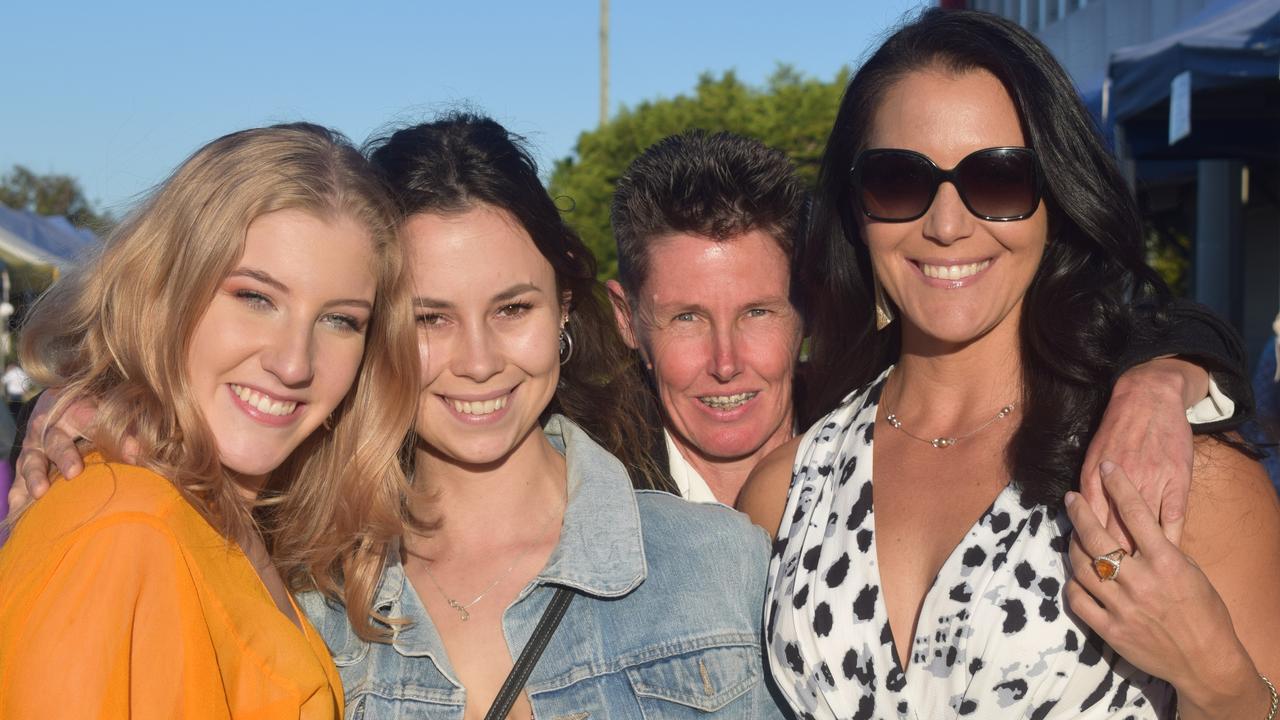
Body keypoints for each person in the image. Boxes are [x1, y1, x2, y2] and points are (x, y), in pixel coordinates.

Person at [738, 9, 1280, 720]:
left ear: (1055, 197)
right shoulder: (786, 492)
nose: (946, 222)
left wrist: (1216, 681)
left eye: (997, 179)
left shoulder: (1173, 476)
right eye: (900, 180)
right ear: (856, 208)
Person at [292, 114, 785, 718]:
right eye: (430, 318)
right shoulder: (313, 601)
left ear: (563, 311)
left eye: (512, 309)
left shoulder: (722, 563)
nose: (478, 362)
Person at [0, 123, 419, 718]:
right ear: (165, 291)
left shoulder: (220, 516)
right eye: (255, 298)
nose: (293, 362)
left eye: (340, 320)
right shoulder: (123, 528)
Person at [607, 130, 1251, 513]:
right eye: (686, 318)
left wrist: (1157, 382)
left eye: (758, 312)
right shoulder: (586, 484)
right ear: (626, 320)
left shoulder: (879, 413)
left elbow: (1154, 326)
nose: (726, 361)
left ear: (809, 304)